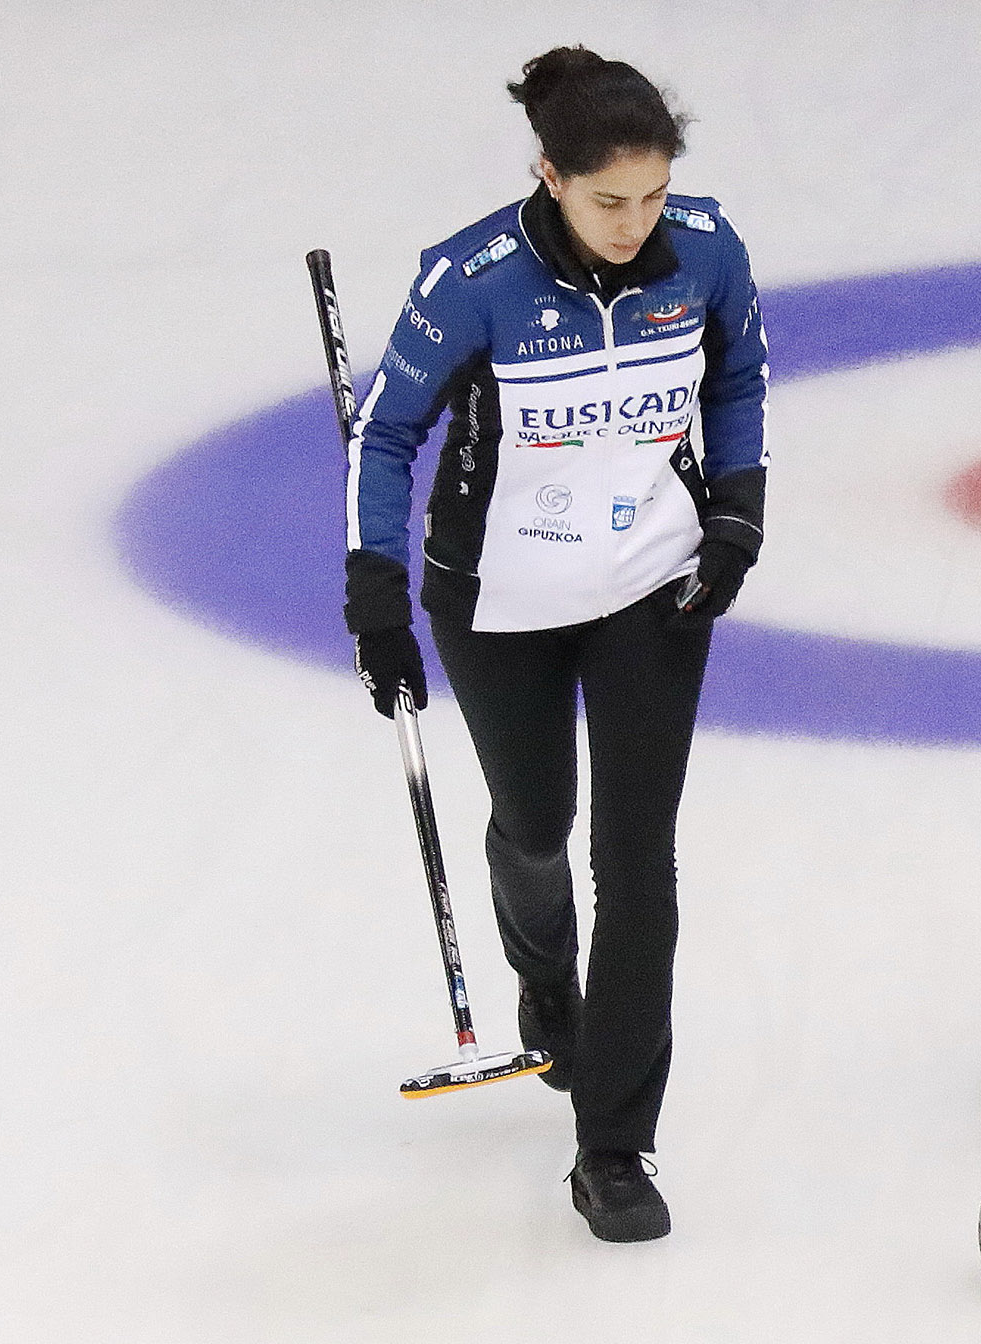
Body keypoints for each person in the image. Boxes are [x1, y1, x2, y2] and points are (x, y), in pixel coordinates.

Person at [341, 46, 769, 1243]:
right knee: (537, 823)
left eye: (651, 195)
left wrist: (737, 513)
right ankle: (544, 977)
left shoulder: (710, 246)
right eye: (606, 200)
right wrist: (374, 586)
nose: (636, 224)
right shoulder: (470, 278)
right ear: (550, 176)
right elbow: (384, 439)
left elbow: (739, 380)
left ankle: (614, 1147)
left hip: (652, 587)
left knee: (640, 865)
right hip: (499, 600)